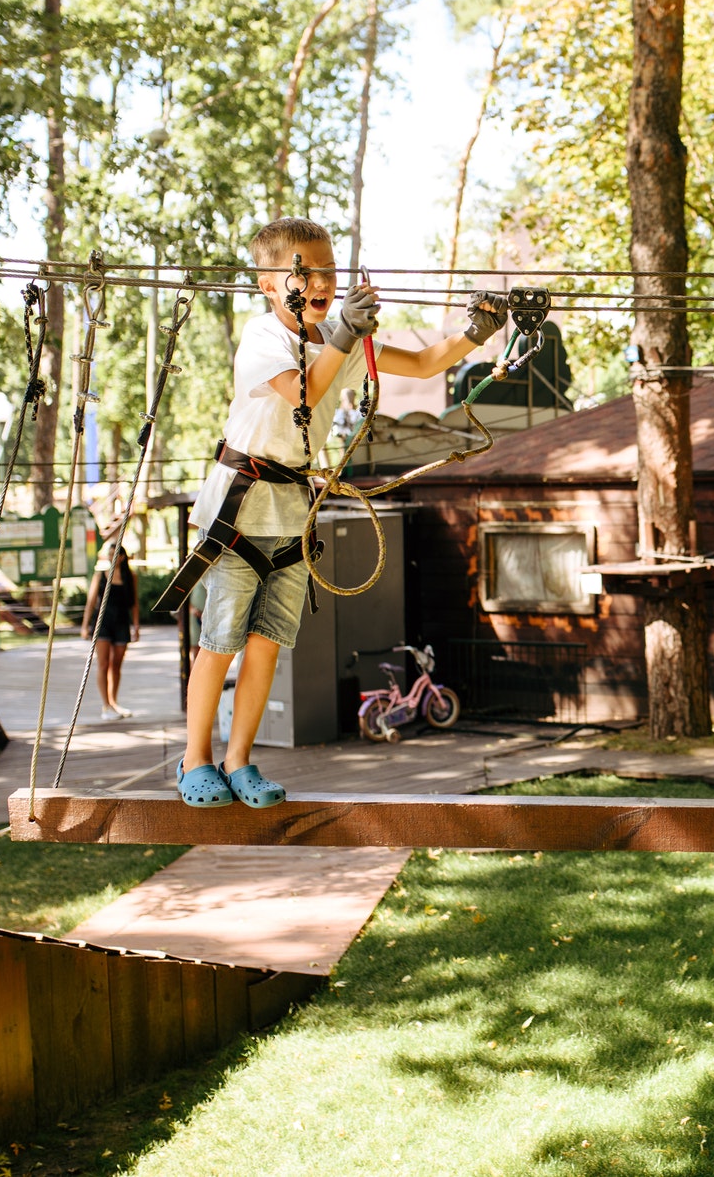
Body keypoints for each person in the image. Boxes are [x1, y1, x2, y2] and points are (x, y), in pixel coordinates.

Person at [160, 217, 507, 809]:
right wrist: (344, 331)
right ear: (269, 284)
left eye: (328, 268)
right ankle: (195, 760)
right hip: (240, 508)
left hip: (294, 508)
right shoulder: (261, 338)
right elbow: (305, 391)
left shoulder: (340, 342)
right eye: (304, 270)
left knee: (268, 642)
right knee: (220, 640)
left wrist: (477, 331)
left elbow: (424, 364)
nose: (321, 279)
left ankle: (239, 759)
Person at [81, 542, 140, 721]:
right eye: (109, 553)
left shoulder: (130, 577)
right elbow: (91, 602)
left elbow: (134, 603)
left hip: (121, 623)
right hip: (102, 623)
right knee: (103, 664)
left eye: (115, 554)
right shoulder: (100, 576)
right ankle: (105, 705)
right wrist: (85, 626)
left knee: (116, 665)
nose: (111, 557)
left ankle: (113, 702)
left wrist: (136, 626)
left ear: (122, 557)